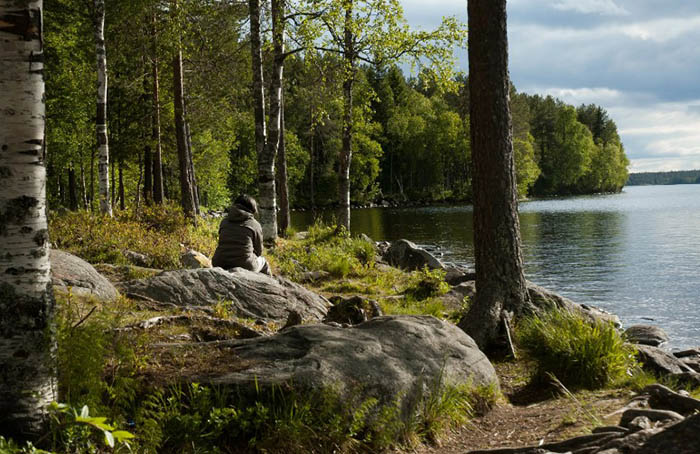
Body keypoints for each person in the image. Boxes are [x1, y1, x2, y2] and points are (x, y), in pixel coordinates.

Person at [212, 194, 271, 275]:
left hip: (220, 262)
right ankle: (269, 285)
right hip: (245, 265)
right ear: (252, 209)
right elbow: (259, 252)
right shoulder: (254, 224)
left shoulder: (224, 221)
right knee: (264, 262)